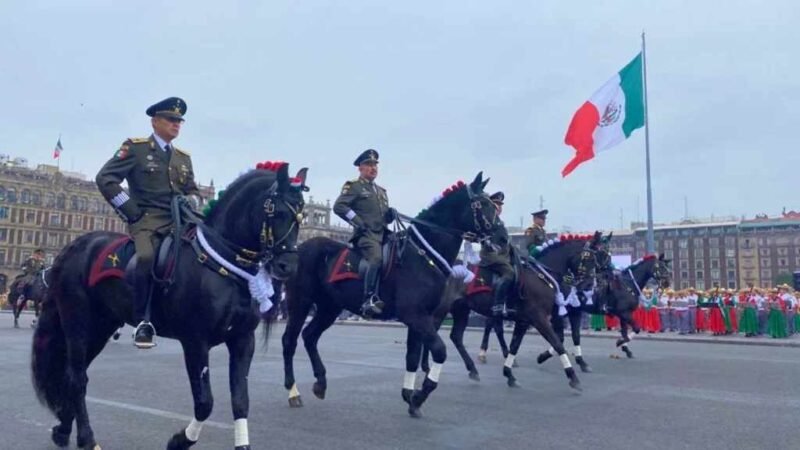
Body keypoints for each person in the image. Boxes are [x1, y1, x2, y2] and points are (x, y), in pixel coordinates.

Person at [95, 97, 201, 349]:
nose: (176, 124)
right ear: (155, 122)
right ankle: (143, 320)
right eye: (171, 119)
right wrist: (132, 212)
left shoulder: (183, 158)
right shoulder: (136, 148)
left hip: (181, 221)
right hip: (147, 221)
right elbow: (105, 179)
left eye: (179, 121)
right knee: (146, 257)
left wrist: (192, 201)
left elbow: (192, 189)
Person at [333, 149, 395, 317]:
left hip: (383, 235)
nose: (373, 168)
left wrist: (390, 216)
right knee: (376, 259)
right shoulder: (354, 186)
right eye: (368, 164)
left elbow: (382, 219)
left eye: (375, 165)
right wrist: (358, 222)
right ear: (360, 168)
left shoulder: (381, 192)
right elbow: (339, 207)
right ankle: (369, 299)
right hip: (366, 236)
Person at [479, 192, 515, 318]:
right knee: (509, 272)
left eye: (500, 204)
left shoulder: (500, 222)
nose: (499, 207)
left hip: (503, 256)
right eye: (496, 204)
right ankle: (498, 304)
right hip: (491, 256)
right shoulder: (488, 220)